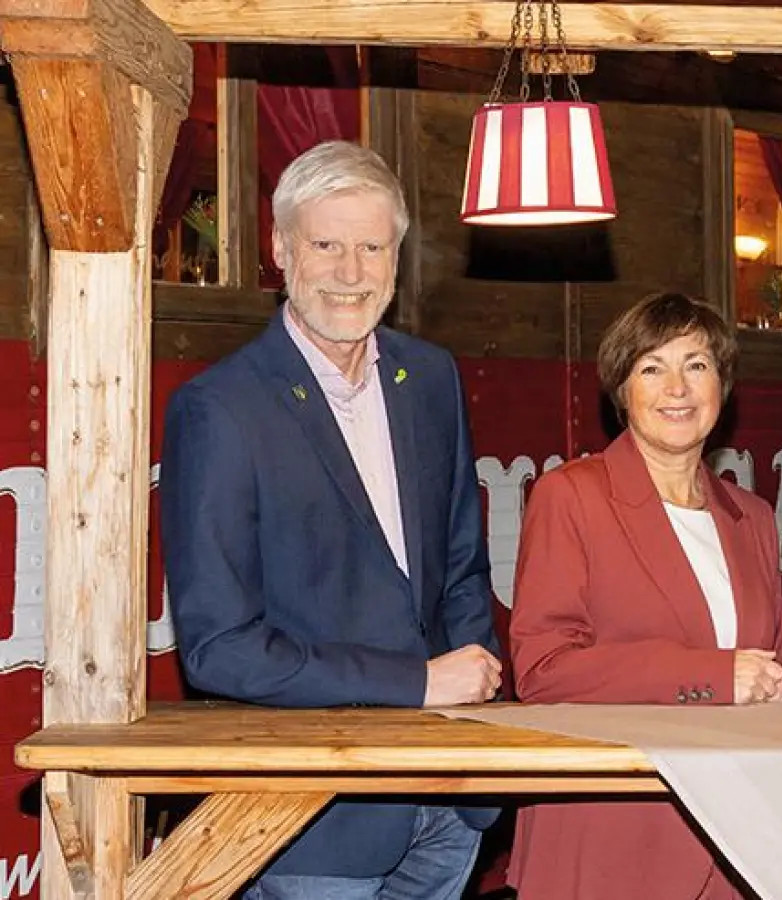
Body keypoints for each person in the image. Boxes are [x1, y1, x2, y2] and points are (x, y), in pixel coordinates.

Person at [161, 140, 503, 899]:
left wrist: (479, 725)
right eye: (325, 244)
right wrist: (415, 684)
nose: (351, 273)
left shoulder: (430, 378)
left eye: (371, 247)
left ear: (397, 256)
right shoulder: (220, 409)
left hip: (446, 806)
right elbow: (219, 649)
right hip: (308, 822)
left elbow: (461, 567)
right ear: (281, 249)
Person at [507, 292, 782, 899]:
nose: (678, 387)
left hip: (739, 844)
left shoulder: (754, 517)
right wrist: (712, 676)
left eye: (697, 364)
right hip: (613, 838)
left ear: (723, 384)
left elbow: (773, 667)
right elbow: (543, 671)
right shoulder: (571, 497)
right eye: (652, 367)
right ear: (623, 391)